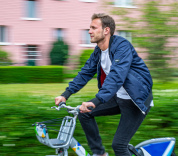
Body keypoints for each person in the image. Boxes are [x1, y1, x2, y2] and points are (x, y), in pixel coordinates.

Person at [54, 13, 153, 156]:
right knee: (84, 114)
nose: (89, 31)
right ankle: (99, 153)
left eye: (94, 28)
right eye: (90, 28)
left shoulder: (122, 46)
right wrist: (66, 94)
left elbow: (116, 76)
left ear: (106, 30)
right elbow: (85, 73)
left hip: (135, 100)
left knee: (119, 145)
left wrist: (95, 101)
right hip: (119, 97)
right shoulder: (98, 52)